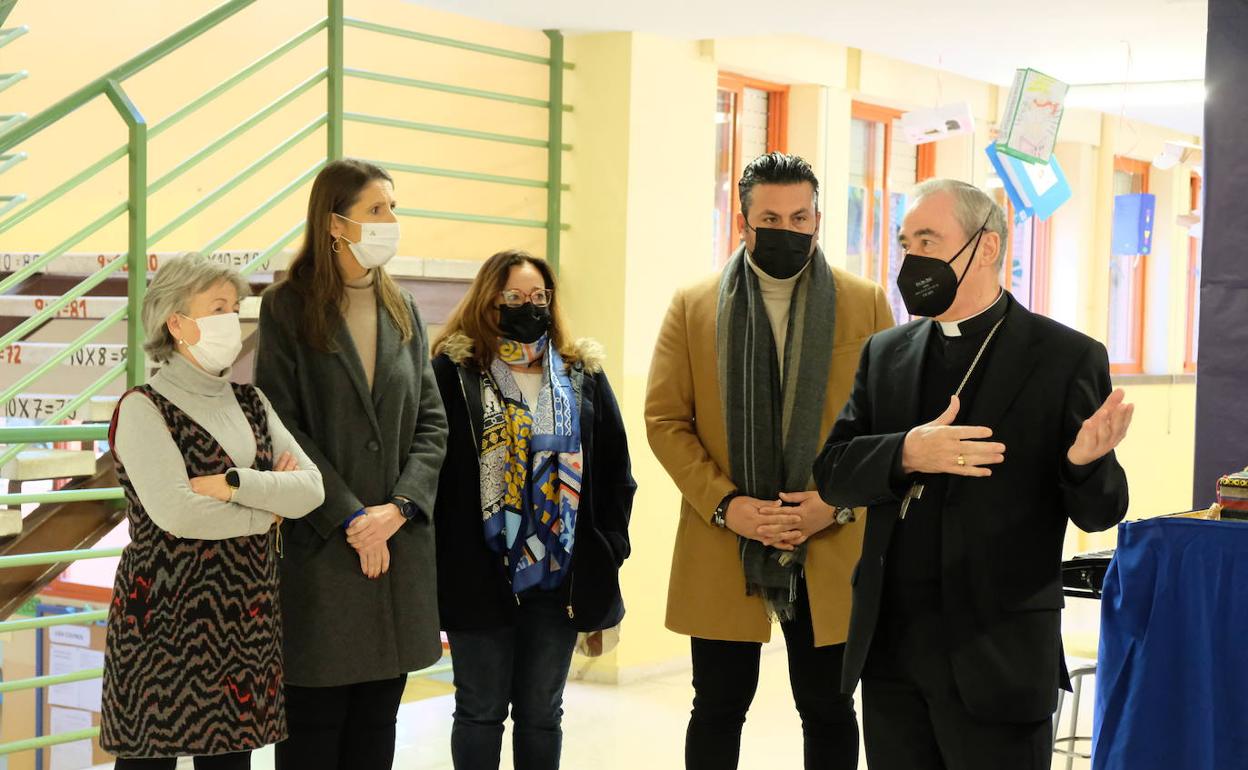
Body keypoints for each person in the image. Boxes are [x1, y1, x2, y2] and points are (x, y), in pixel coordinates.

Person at [813, 178, 1133, 769]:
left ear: (985, 248)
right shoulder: (886, 353)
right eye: (907, 243)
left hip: (998, 656)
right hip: (892, 654)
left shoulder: (1065, 357)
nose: (913, 260)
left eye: (929, 241)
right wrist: (909, 451)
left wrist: (1084, 464)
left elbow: (1101, 511)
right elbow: (832, 473)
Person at [645, 152, 892, 770]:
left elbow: (889, 425)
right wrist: (730, 507)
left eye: (801, 216)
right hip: (725, 538)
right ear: (743, 222)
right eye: (772, 217)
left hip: (832, 539)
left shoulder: (864, 302)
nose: (789, 228)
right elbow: (665, 420)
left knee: (831, 706)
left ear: (818, 218)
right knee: (718, 706)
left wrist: (832, 505)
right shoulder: (693, 304)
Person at [254, 159, 448, 770]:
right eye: (377, 209)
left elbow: (432, 423)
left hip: (397, 551)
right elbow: (282, 427)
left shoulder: (403, 307)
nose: (392, 220)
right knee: (314, 733)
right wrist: (350, 519)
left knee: (375, 730)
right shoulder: (287, 307)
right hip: (323, 554)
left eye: (393, 207)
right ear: (336, 223)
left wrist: (398, 509)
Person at [100, 253, 325, 769]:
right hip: (162, 621)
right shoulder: (142, 407)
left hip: (245, 617)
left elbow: (310, 489)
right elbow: (176, 513)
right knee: (148, 760)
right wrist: (266, 510)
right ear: (176, 322)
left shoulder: (251, 401)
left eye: (235, 306)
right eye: (218, 307)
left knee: (230, 762)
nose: (233, 318)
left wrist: (233, 484)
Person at [431, 248, 636, 770]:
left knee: (543, 713)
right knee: (479, 711)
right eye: (515, 297)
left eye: (540, 296)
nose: (530, 305)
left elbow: (616, 472)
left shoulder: (580, 374)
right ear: (488, 301)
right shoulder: (453, 375)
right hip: (478, 574)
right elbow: (433, 470)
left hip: (559, 578)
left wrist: (608, 547)